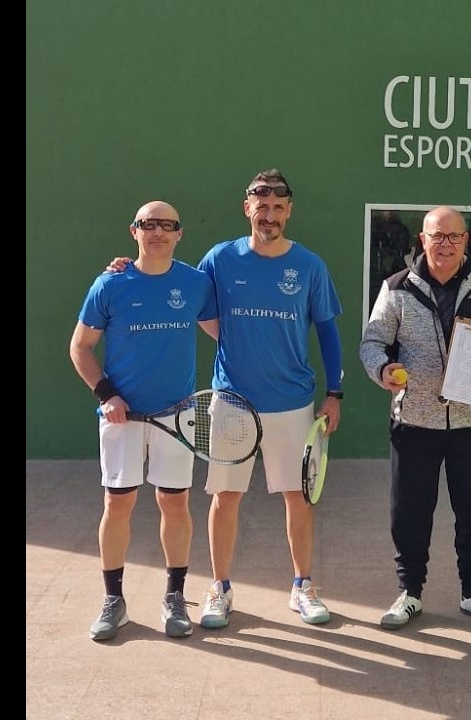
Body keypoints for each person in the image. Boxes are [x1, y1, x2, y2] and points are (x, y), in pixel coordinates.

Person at [106, 169, 346, 629]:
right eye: (262, 207)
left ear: (288, 211)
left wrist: (334, 392)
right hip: (232, 402)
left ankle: (302, 586)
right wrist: (125, 270)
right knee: (226, 497)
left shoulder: (310, 266)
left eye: (278, 208)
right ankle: (220, 588)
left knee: (298, 497)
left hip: (294, 402)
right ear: (247, 209)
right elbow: (171, 285)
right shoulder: (220, 259)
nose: (269, 216)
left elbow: (328, 331)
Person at [360, 206, 471, 631]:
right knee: (410, 514)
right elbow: (372, 342)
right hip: (415, 422)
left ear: (466, 242)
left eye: (454, 237)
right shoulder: (396, 288)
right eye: (438, 236)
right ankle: (410, 592)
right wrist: (383, 370)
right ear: (423, 240)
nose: (446, 244)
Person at [69, 200, 219, 641]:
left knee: (174, 503)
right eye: (148, 225)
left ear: (179, 234)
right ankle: (113, 601)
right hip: (122, 419)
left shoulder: (196, 284)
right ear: (133, 231)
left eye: (166, 225)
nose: (157, 232)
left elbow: (226, 332)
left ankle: (175, 597)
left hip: (177, 416)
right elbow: (80, 347)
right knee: (118, 504)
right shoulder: (110, 284)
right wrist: (106, 394)